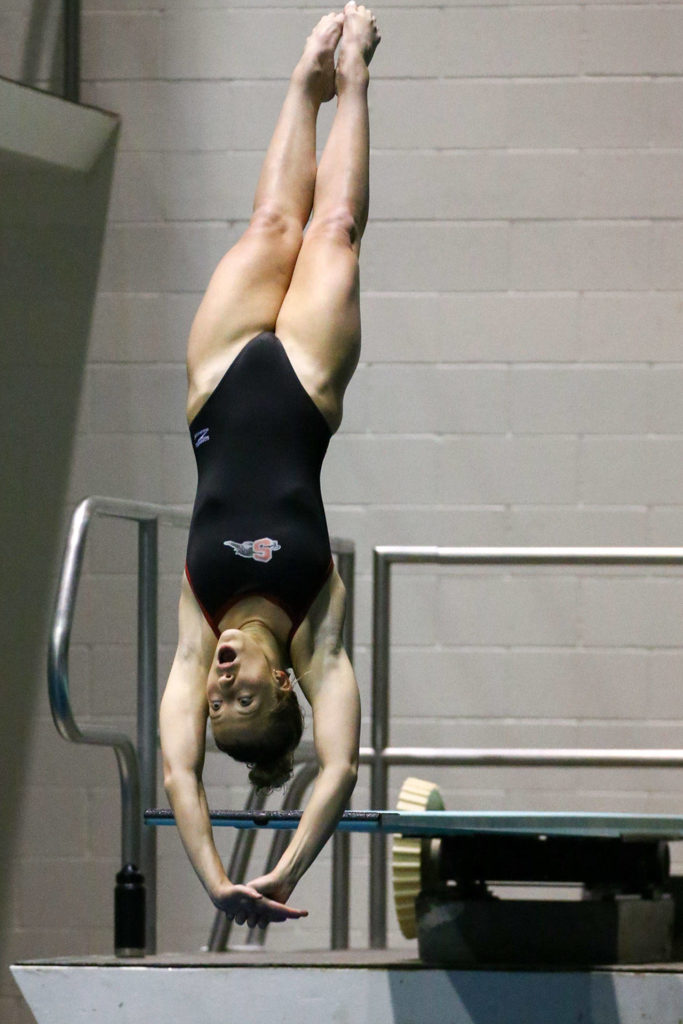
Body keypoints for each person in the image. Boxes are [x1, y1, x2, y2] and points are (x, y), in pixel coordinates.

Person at [159, 3, 380, 930]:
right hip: (304, 389)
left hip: (216, 385)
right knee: (328, 231)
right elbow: (335, 768)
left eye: (214, 699)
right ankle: (356, 74)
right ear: (281, 683)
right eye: (238, 692)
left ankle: (304, 74)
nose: (216, 681)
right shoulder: (313, 630)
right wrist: (286, 870)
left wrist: (213, 877)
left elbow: (177, 771)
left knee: (268, 219)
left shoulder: (199, 614)